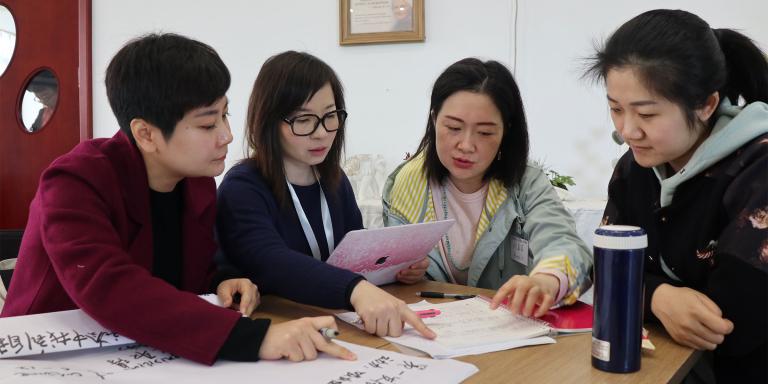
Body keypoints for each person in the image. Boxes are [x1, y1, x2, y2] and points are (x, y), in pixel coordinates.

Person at [1, 33, 355, 365]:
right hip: (50, 356)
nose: (227, 136)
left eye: (225, 115)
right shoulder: (76, 181)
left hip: (146, 354)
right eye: (207, 125)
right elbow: (111, 286)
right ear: (146, 134)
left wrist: (222, 281)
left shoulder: (196, 183)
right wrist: (255, 338)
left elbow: (192, 273)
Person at [585, 9, 767, 382]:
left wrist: (640, 291)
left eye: (647, 115)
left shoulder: (757, 166)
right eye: (615, 109)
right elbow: (604, 271)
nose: (627, 131)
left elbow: (730, 320)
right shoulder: (634, 168)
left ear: (706, 105)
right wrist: (658, 298)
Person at [216, 51, 435, 339]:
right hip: (277, 328)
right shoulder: (243, 186)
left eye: (330, 116)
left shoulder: (333, 180)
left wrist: (395, 266)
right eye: (304, 120)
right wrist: (356, 290)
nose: (321, 133)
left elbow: (353, 247)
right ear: (268, 121)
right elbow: (270, 261)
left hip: (334, 322)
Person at [382, 58, 593, 317]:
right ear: (434, 120)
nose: (466, 145)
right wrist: (404, 272)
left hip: (510, 328)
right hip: (433, 327)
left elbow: (564, 244)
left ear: (506, 132)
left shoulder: (525, 182)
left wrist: (546, 281)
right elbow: (389, 269)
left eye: (484, 133)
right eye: (453, 128)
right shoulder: (406, 184)